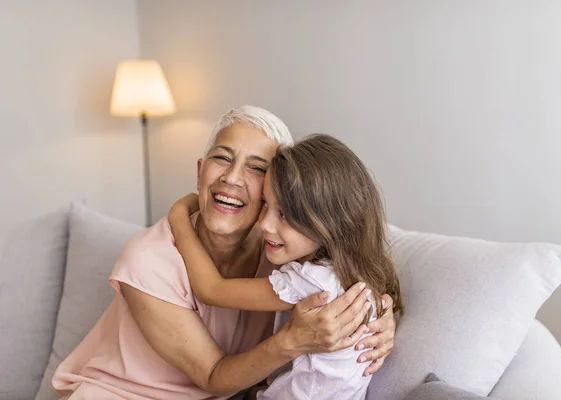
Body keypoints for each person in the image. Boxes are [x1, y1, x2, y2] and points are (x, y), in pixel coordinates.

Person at [53, 106, 396, 400]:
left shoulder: (282, 249)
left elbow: (359, 272)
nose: (232, 177)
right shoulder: (147, 260)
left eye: (257, 168)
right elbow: (214, 373)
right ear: (200, 172)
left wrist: (383, 318)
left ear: (281, 189)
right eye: (223, 158)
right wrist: (293, 341)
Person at [168, 133, 404, 399]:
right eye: (266, 204)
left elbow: (211, 289)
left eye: (285, 215)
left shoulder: (311, 281)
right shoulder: (356, 271)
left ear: (328, 220)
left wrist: (178, 217)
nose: (265, 224)